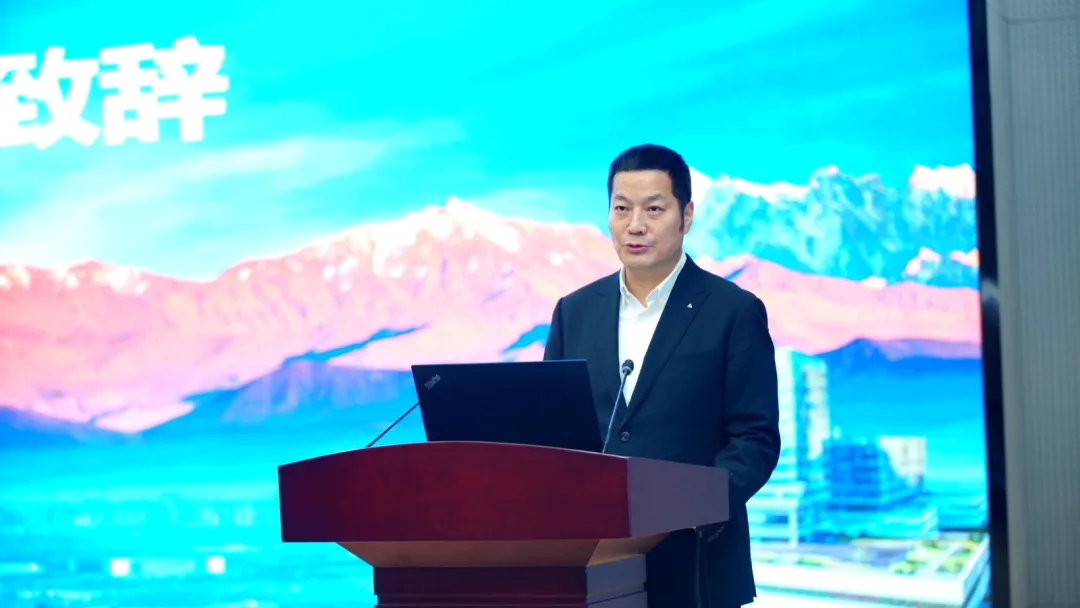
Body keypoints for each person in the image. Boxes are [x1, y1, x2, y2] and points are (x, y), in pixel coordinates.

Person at [543, 144, 781, 608]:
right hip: (592, 567)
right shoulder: (574, 312)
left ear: (686, 215)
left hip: (697, 564)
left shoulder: (733, 311)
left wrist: (690, 507)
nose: (635, 225)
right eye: (622, 209)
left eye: (654, 209)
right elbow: (552, 434)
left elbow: (755, 439)